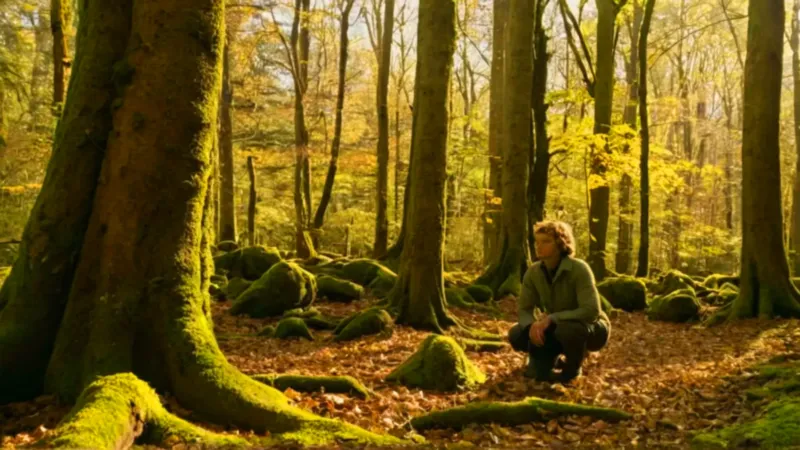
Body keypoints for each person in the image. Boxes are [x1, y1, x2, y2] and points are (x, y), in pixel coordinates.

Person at [507, 220, 611, 384]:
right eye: (537, 242)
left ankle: (572, 370)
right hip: (555, 327)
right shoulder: (533, 272)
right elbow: (524, 310)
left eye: (546, 242)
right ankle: (547, 360)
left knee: (569, 329)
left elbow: (591, 311)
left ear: (561, 244)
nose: (539, 247)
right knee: (517, 333)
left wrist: (552, 318)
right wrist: (531, 327)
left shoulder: (579, 268)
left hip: (591, 328)